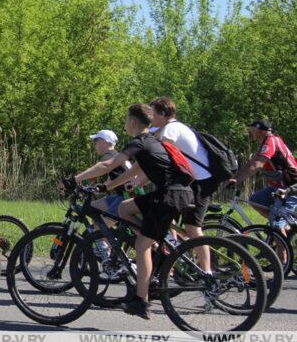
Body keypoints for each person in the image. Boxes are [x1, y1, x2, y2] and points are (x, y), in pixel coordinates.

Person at [66, 103, 194, 320]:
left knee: (141, 245)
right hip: (179, 193)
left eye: (126, 119)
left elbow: (107, 165)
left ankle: (140, 301)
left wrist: (74, 179)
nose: (125, 123)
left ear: (133, 122)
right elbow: (134, 170)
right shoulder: (152, 141)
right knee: (125, 208)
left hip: (169, 195)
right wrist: (107, 187)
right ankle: (156, 248)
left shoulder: (139, 141)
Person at [150, 97, 218, 271]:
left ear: (163, 114)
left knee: (193, 228)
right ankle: (171, 264)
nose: (151, 118)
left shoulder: (171, 129)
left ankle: (207, 272)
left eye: (153, 114)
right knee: (169, 215)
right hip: (195, 181)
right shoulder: (177, 127)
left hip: (200, 183)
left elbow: (160, 157)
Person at [229, 119, 297, 236]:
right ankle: (280, 224)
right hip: (279, 187)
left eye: (252, 130)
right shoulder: (265, 143)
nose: (251, 132)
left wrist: (237, 180)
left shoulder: (272, 141)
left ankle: (281, 236)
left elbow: (257, 164)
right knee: (255, 200)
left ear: (258, 129)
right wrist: (235, 177)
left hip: (291, 187)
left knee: (276, 228)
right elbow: (252, 162)